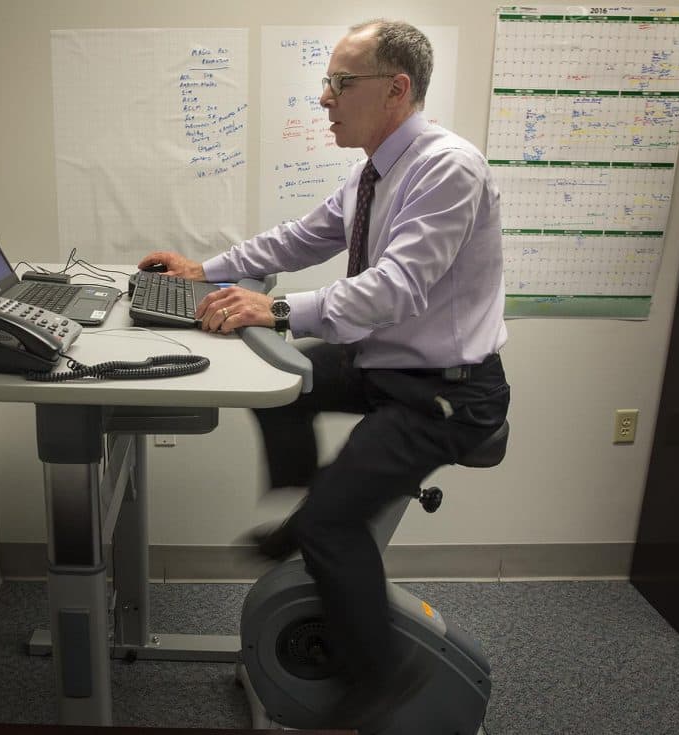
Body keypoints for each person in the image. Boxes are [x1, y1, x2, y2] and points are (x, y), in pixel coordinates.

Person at [139, 18, 510, 730]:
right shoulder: (374, 170)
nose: (325, 99)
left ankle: (377, 676)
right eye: (327, 84)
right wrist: (206, 269)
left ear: (396, 89)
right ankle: (309, 518)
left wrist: (274, 309)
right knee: (283, 385)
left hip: (448, 391)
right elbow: (303, 234)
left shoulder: (447, 168)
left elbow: (395, 288)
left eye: (341, 84)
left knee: (337, 522)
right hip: (390, 361)